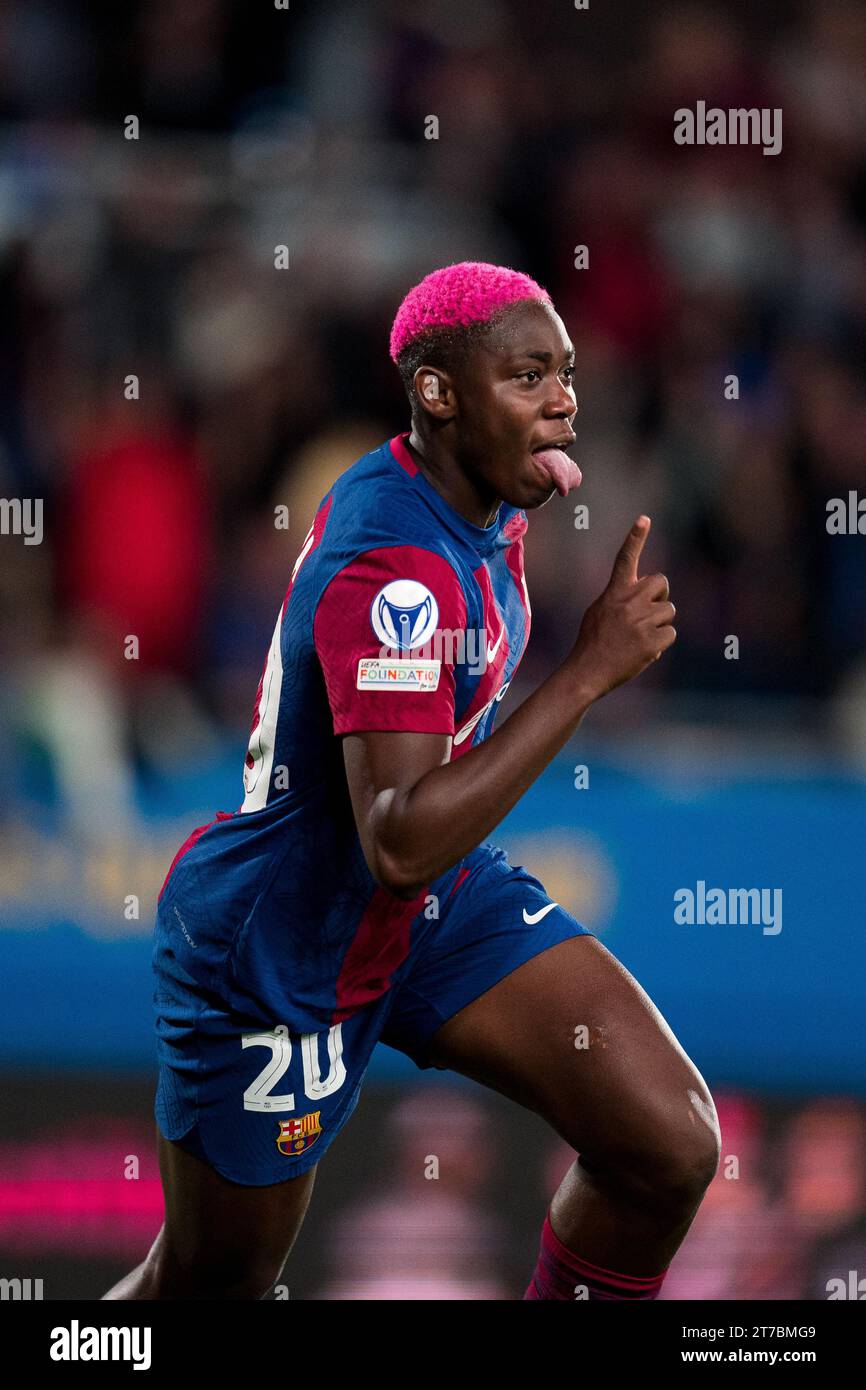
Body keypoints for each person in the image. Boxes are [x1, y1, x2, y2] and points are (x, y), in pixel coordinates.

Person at [103, 261, 720, 1301]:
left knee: (666, 1140)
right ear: (437, 391)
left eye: (563, 372)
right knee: (202, 1288)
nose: (563, 399)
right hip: (282, 939)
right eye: (528, 375)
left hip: (424, 905)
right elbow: (394, 835)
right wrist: (583, 673)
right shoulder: (391, 565)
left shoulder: (482, 500)